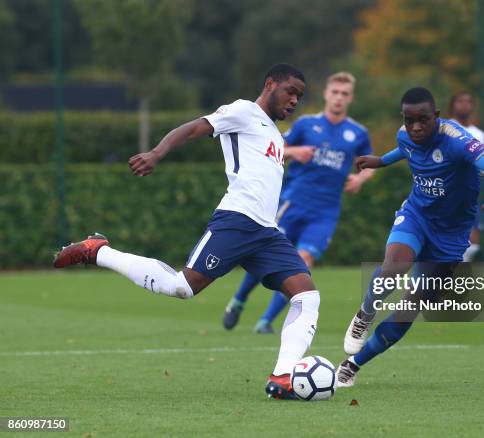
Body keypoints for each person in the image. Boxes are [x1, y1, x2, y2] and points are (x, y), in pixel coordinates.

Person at [53, 63, 317, 400]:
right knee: (181, 288)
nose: (295, 100)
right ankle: (98, 251)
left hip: (267, 232)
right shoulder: (243, 111)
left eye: (300, 96)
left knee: (307, 296)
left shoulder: (274, 134)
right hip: (237, 221)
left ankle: (282, 377)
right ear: (270, 84)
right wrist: (156, 153)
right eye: (290, 91)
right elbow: (194, 128)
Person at [335, 87, 484, 387]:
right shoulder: (405, 135)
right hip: (417, 216)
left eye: (423, 120)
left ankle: (353, 365)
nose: (416, 127)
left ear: (436, 117)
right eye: (410, 121)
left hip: (451, 237)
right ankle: (365, 314)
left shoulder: (458, 142)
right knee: (394, 265)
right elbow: (405, 149)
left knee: (410, 305)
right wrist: (380, 161)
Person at [223, 72, 375, 334]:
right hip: (291, 204)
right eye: (335, 92)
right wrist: (295, 152)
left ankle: (266, 320)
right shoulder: (306, 125)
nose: (339, 98)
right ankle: (239, 300)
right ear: (327, 94)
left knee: (301, 264)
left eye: (345, 94)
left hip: (325, 212)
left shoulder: (357, 133)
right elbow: (274, 147)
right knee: (266, 256)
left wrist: (361, 178)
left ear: (351, 98)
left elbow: (369, 164)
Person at [448, 91, 484, 262]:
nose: (464, 105)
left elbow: (482, 162)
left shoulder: (479, 134)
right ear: (452, 105)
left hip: (469, 193)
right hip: (446, 191)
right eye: (459, 101)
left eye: (468, 102)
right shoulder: (444, 128)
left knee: (473, 242)